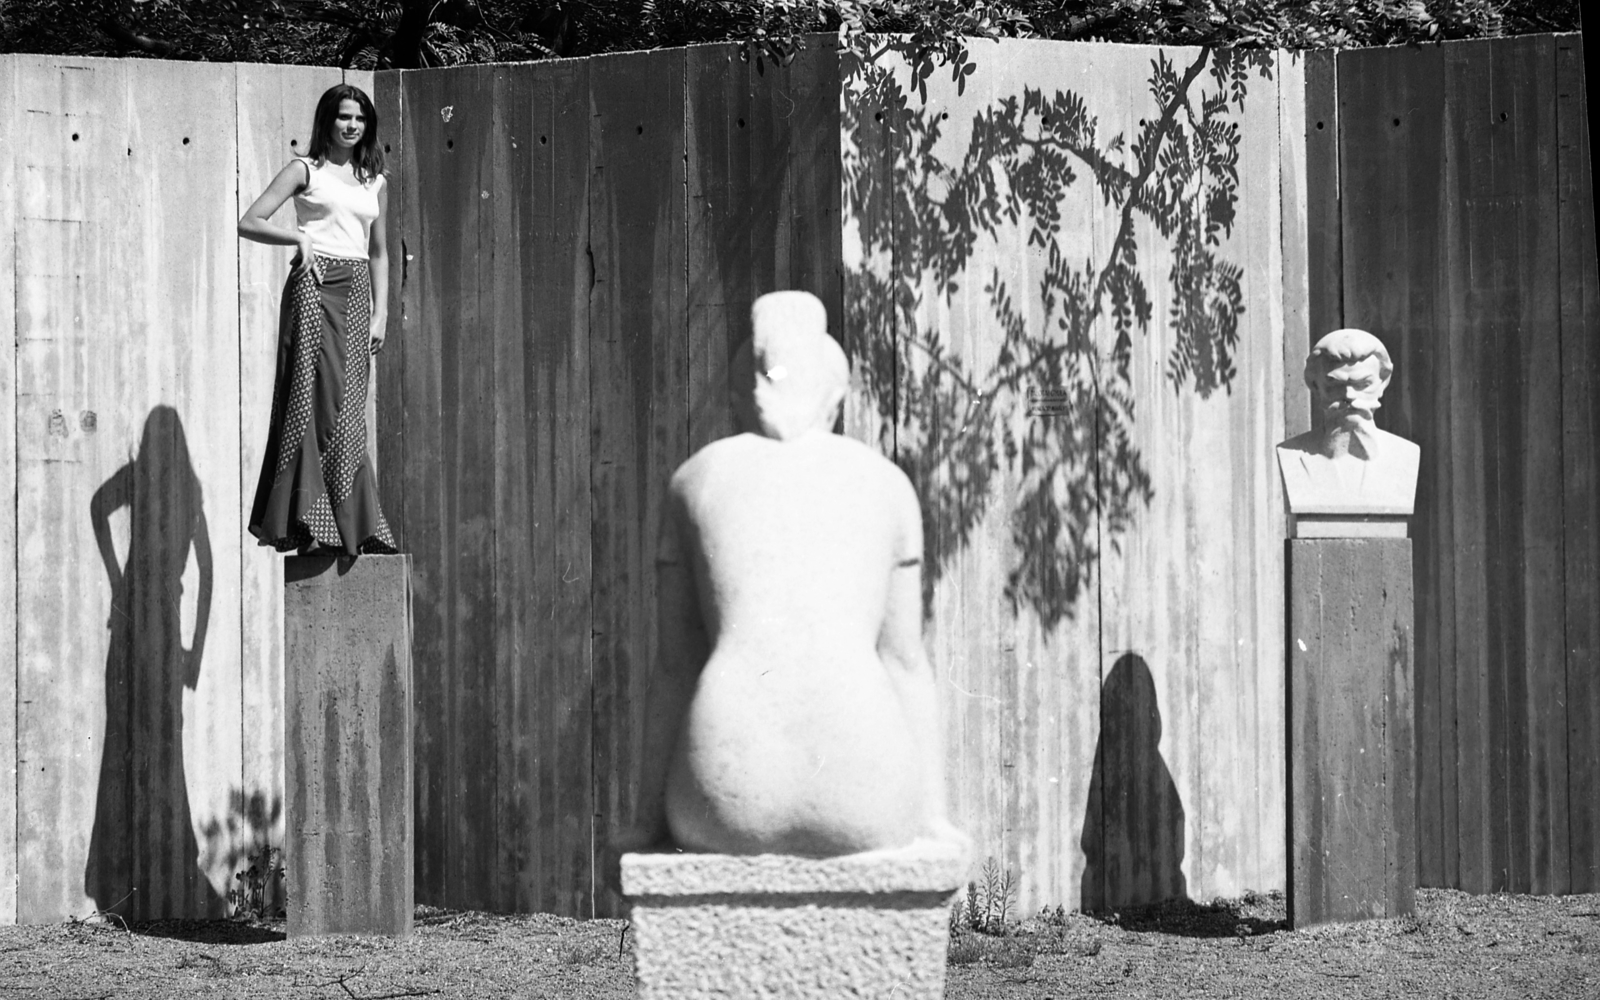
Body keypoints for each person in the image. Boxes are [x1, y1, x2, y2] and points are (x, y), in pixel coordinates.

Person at [621, 291, 961, 861]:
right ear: (835, 397)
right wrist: (934, 819)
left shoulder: (697, 480)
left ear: (739, 397)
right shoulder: (885, 484)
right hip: (865, 787)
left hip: (726, 788)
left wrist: (643, 825)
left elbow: (676, 665)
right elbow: (904, 662)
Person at [238, 83, 397, 556]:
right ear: (327, 121)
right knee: (311, 400)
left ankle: (352, 522)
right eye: (344, 117)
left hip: (357, 291)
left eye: (360, 119)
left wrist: (381, 312)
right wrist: (297, 240)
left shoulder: (376, 181)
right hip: (313, 283)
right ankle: (309, 522)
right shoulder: (304, 169)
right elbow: (250, 220)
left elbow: (379, 252)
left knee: (348, 407)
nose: (352, 126)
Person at [1276, 328, 1420, 513]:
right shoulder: (1291, 455)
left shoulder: (1405, 454)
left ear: (1382, 383)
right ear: (1315, 386)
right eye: (1334, 385)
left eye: (1362, 385)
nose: (1349, 395)